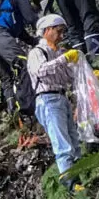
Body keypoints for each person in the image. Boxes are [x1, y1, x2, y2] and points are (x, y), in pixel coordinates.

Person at [26, 14, 82, 186]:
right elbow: (40, 71)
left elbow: (68, 77)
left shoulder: (59, 52)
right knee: (62, 143)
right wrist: (63, 59)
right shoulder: (37, 52)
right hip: (47, 99)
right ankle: (70, 182)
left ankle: (80, 176)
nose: (61, 36)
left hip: (62, 97)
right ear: (47, 30)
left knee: (74, 140)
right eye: (58, 31)